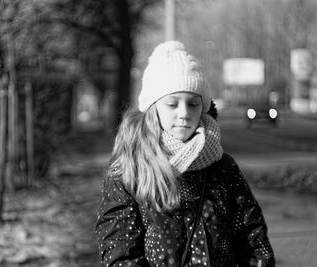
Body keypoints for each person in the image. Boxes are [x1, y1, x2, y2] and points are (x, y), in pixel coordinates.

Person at [95, 41, 275, 267]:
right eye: (172, 104)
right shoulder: (130, 169)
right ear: (153, 108)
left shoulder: (222, 166)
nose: (184, 113)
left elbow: (252, 239)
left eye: (193, 104)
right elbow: (120, 253)